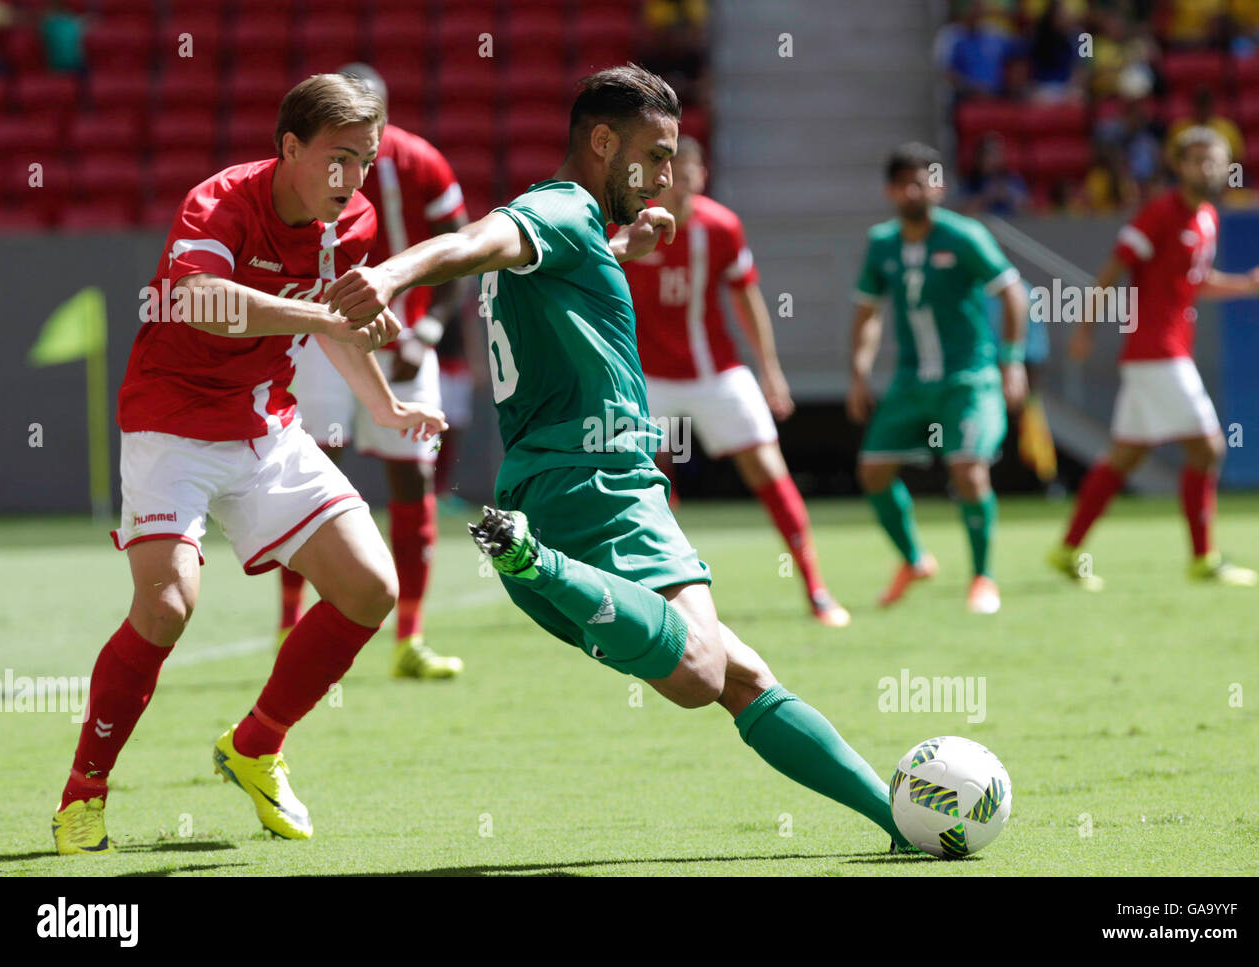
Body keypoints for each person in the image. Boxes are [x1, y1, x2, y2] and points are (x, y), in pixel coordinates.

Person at [326, 65, 919, 854]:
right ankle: (536, 562)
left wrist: (623, 244)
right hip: (600, 483)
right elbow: (479, 240)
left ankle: (901, 822)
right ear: (603, 142)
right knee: (703, 673)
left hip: (546, 484)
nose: (670, 176)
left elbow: (537, 257)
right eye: (658, 154)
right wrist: (396, 273)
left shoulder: (573, 226)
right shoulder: (555, 208)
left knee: (741, 678)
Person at [51, 74, 447, 854]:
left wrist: (382, 405)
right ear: (289, 148)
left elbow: (339, 322)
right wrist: (324, 310)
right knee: (166, 607)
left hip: (267, 427)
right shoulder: (219, 203)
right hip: (171, 425)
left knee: (370, 588)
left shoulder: (355, 220)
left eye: (364, 161)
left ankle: (257, 743)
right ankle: (84, 789)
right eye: (337, 159)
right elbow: (202, 300)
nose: (352, 179)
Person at [279, 63, 467, 680]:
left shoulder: (423, 163)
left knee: (411, 481)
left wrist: (432, 330)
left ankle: (408, 639)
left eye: (371, 127)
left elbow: (457, 251)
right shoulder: (311, 168)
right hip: (323, 340)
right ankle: (290, 627)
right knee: (310, 478)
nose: (361, 144)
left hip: (405, 339)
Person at [622, 136, 850, 627]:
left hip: (716, 372)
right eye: (669, 172)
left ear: (701, 177)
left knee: (768, 468)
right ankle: (655, 593)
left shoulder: (722, 227)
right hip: (647, 378)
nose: (678, 183)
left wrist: (770, 371)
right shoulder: (628, 226)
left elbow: (747, 298)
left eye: (687, 174)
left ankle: (816, 588)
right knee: (641, 482)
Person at [1049, 127, 1259, 589]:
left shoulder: (1209, 217)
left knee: (1125, 458)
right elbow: (1113, 269)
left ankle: (1066, 549)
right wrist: (1084, 329)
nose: (1207, 168)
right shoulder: (1160, 213)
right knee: (1209, 447)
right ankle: (1203, 558)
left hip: (1162, 354)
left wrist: (1246, 286)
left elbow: (1195, 280)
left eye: (1215, 159)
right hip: (1156, 352)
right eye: (1196, 159)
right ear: (1178, 165)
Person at [847, 143, 1028, 614]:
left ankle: (983, 578)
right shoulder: (882, 242)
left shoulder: (963, 235)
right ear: (890, 190)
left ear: (939, 185)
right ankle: (913, 560)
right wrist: (860, 373)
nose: (915, 189)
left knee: (968, 470)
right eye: (905, 181)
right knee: (873, 471)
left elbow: (1013, 294)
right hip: (911, 380)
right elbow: (868, 312)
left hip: (968, 377)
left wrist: (1012, 362)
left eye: (924, 178)